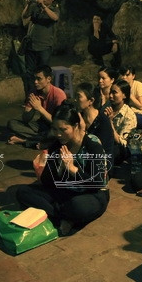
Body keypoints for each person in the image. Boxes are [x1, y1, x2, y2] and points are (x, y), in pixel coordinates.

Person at [16, 101, 109, 235]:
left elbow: (97, 183)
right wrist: (54, 167)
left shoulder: (92, 144)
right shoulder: (57, 144)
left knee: (77, 206)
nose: (58, 134)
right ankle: (65, 217)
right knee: (23, 192)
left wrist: (72, 169)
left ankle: (60, 214)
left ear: (75, 126)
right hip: (64, 193)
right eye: (55, 129)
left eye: (63, 129)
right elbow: (48, 182)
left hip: (90, 194)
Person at [7, 66, 67, 147]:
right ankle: (41, 139)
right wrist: (32, 107)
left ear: (48, 79)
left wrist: (39, 108)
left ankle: (24, 140)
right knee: (12, 124)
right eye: (34, 78)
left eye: (39, 79)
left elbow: (59, 123)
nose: (35, 82)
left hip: (56, 127)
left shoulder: (59, 94)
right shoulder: (33, 92)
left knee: (55, 134)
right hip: (42, 124)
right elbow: (25, 119)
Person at [20, 0, 60, 96]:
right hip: (31, 45)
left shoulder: (54, 9)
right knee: (29, 73)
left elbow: (55, 17)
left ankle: (44, 96)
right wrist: (29, 4)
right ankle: (31, 97)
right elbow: (24, 16)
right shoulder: (35, 8)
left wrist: (43, 6)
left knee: (43, 73)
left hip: (44, 47)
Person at [75, 82, 116, 160]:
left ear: (91, 100)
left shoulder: (102, 121)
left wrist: (82, 131)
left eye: (79, 96)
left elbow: (102, 150)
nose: (75, 99)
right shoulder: (78, 117)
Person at [102, 79, 137, 163]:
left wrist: (109, 122)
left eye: (114, 93)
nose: (110, 96)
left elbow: (122, 143)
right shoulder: (108, 106)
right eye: (110, 92)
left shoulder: (129, 116)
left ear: (124, 95)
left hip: (119, 148)